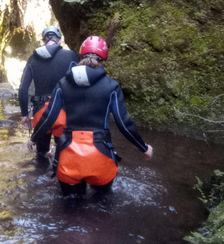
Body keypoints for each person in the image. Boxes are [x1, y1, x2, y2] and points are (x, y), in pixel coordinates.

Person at [31, 35, 153, 195]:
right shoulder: (112, 86)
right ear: (103, 60)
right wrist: (143, 148)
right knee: (101, 208)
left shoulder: (63, 83)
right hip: (100, 156)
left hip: (69, 157)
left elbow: (48, 117)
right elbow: (123, 123)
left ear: (80, 56)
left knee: (68, 206)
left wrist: (34, 138)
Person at [18, 26, 78, 164]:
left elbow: (23, 89)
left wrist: (24, 114)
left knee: (41, 155)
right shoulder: (70, 56)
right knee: (63, 155)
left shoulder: (33, 59)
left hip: (41, 113)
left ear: (43, 41)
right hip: (62, 111)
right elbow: (78, 85)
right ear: (60, 39)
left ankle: (40, 177)